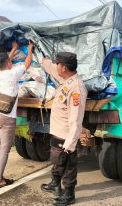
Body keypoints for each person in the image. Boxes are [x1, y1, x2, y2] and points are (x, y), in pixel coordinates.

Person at [0, 41, 33, 189]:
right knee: (4, 149)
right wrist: (29, 49)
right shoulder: (13, 73)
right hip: (6, 117)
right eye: (10, 61)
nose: (11, 62)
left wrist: (13, 49)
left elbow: (4, 61)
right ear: (8, 64)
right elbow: (27, 63)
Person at [40, 52, 87, 205]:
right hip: (57, 132)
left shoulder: (76, 89)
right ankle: (55, 183)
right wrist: (41, 57)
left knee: (68, 165)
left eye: (58, 64)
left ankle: (69, 194)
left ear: (64, 68)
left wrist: (70, 145)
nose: (56, 67)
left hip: (66, 136)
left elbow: (76, 120)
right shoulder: (66, 79)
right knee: (57, 160)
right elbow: (51, 68)